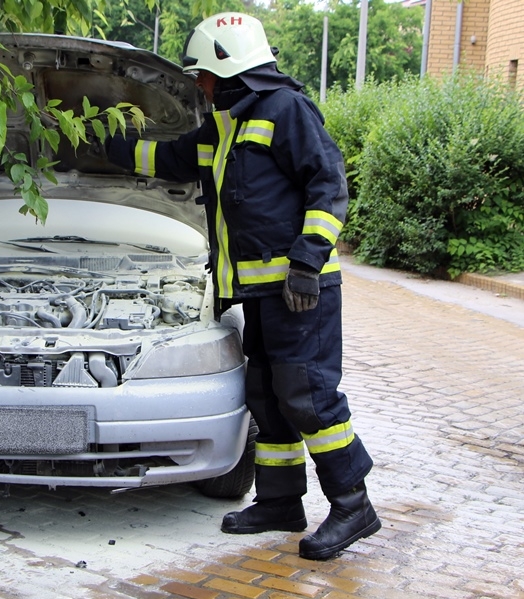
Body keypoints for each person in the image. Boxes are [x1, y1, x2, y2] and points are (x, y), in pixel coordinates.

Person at [103, 12, 380, 560]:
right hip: (258, 294)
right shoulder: (225, 124)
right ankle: (280, 501)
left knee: (309, 398)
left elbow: (329, 183)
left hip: (300, 291)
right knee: (267, 397)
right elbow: (171, 160)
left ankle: (353, 503)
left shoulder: (286, 110)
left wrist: (306, 261)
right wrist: (99, 146)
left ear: (230, 71)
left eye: (203, 74)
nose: (199, 85)